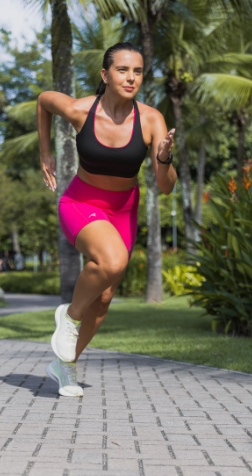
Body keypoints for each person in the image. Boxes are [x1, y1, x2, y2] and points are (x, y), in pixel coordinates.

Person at [37, 42, 176, 397]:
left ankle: (64, 367)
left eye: (138, 71)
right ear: (105, 75)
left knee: (106, 295)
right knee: (112, 261)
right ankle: (68, 318)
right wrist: (45, 153)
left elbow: (166, 188)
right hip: (81, 202)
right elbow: (43, 101)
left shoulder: (151, 120)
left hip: (123, 209)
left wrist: (162, 159)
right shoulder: (81, 110)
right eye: (123, 70)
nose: (131, 78)